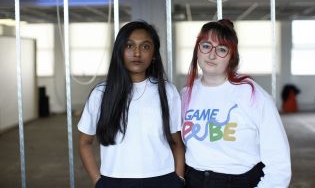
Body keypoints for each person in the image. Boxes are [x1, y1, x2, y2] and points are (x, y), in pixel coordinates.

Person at [181, 19, 291, 188]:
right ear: (197, 50)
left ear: (232, 56)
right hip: (193, 180)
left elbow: (279, 164)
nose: (212, 55)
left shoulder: (253, 95)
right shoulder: (186, 94)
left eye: (222, 49)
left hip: (236, 182)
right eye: (206, 46)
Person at [78, 20, 185, 188]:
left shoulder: (167, 91)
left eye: (145, 46)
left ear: (154, 54)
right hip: (113, 180)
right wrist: (98, 181)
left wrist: (178, 178)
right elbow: (84, 142)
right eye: (129, 46)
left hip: (163, 179)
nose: (137, 53)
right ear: (119, 51)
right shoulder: (101, 94)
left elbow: (177, 142)